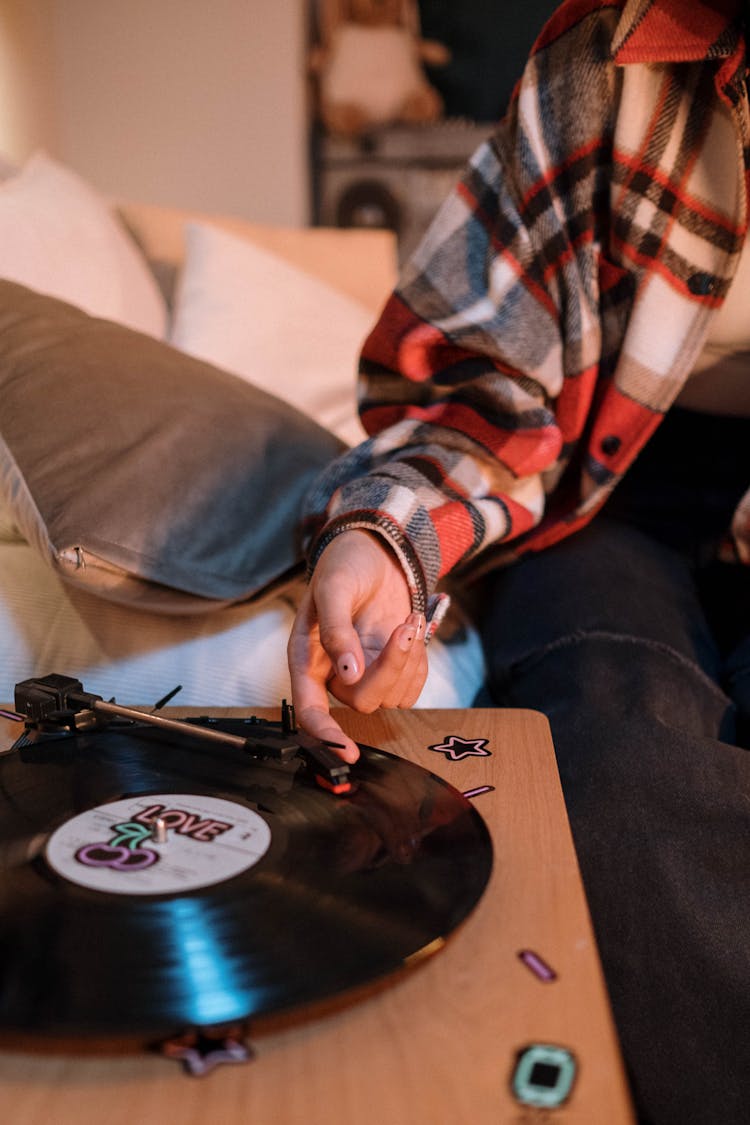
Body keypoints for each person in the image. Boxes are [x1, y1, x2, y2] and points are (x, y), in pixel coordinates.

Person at [287, 1, 750, 1122]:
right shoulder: (611, 57)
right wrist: (386, 540)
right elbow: (476, 394)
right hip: (604, 494)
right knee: (601, 761)